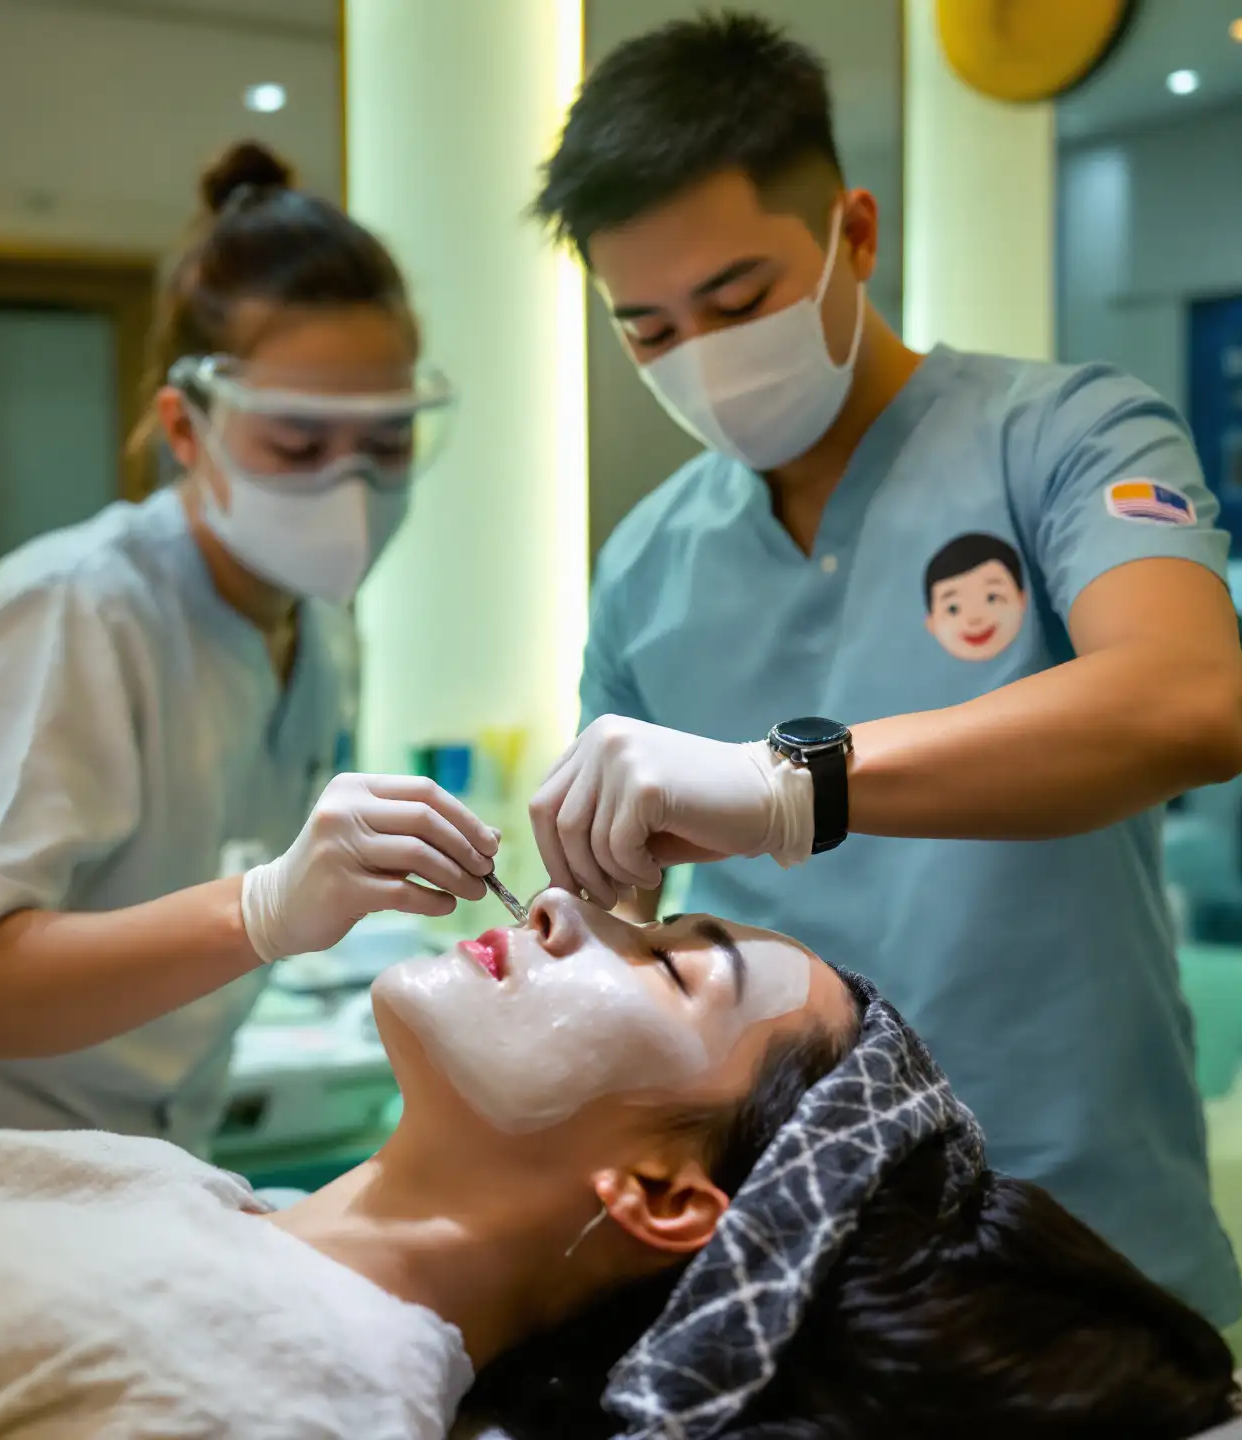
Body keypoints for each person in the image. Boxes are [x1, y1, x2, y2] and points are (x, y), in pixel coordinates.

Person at [527, 12, 1242, 1328]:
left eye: (739, 301)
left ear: (854, 233)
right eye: (649, 330)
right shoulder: (646, 564)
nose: (703, 358)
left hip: (1088, 1233)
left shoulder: (1064, 435)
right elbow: (622, 926)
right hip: (799, 1254)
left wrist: (786, 785)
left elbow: (1190, 701)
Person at [0, 891, 1235, 1439]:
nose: (564, 907)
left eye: (668, 967)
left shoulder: (284, 1393)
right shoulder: (213, 1211)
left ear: (663, 1197)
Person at [0, 140, 497, 1151]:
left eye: (388, 443)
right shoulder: (75, 609)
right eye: (298, 445)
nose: (349, 488)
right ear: (186, 430)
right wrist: (262, 910)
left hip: (152, 1169)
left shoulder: (319, 630)